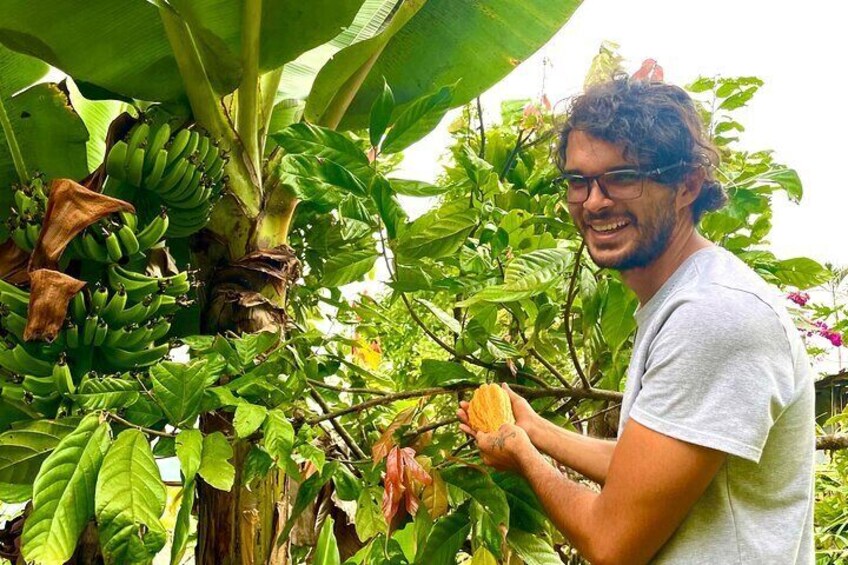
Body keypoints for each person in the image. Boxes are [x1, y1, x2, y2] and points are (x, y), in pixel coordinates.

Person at [457, 77, 815, 564]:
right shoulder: (685, 299)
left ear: (687, 184)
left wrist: (521, 455)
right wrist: (537, 429)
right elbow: (644, 471)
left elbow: (612, 543)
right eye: (578, 181)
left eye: (623, 177)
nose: (595, 201)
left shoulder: (712, 315)